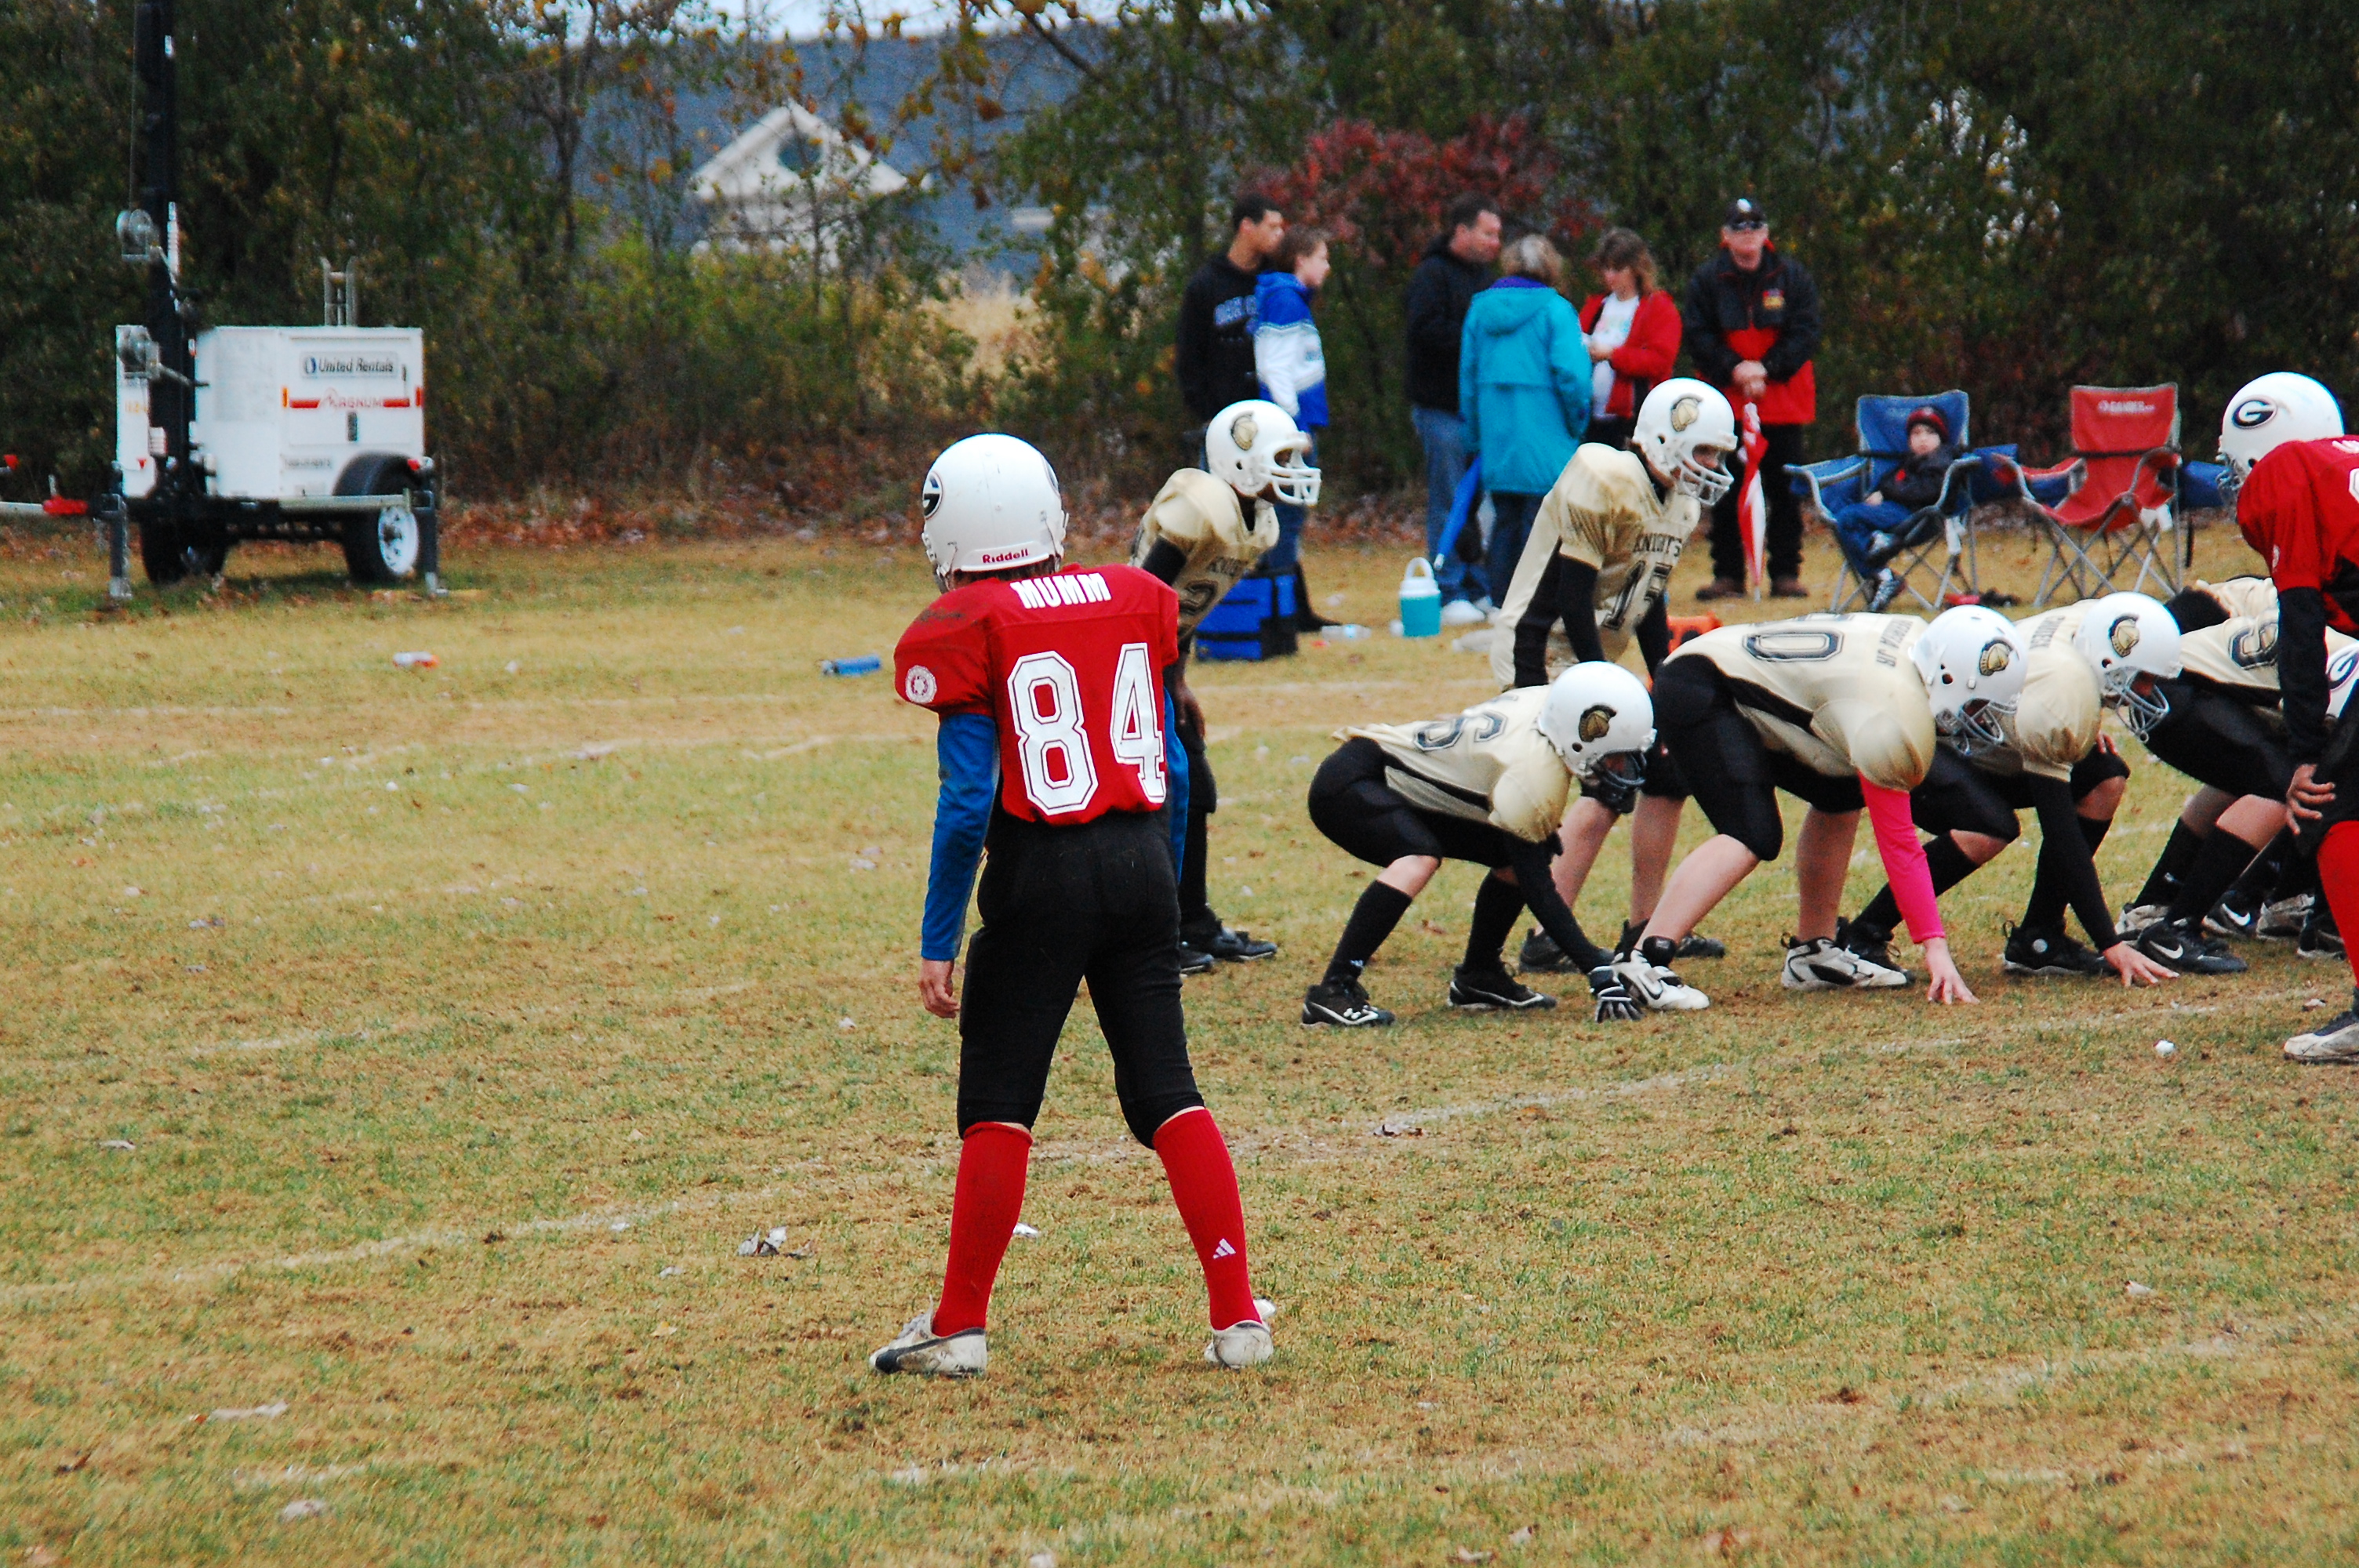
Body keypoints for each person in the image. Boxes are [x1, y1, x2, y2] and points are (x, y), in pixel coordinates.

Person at [878, 434, 1271, 1377]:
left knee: (999, 1102)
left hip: (1041, 872)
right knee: (1168, 1090)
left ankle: (959, 1323)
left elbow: (967, 800)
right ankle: (1237, 1316)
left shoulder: (968, 621)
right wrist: (1164, 886)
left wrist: (937, 935)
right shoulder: (1133, 595)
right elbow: (1173, 766)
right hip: (1140, 864)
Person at [1613, 606, 2027, 1011]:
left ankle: (1813, 951)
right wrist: (1934, 946)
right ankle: (1643, 960)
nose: (1980, 718)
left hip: (1743, 677)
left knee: (1840, 792)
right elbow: (1900, 845)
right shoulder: (1889, 714)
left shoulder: (1921, 644)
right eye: (1977, 704)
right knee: (1751, 833)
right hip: (1703, 682)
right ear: (1947, 676)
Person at [1474, 379, 1738, 967]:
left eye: (1717, 453)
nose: (1711, 465)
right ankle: (1546, 936)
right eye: (1703, 450)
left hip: (1592, 657)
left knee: (1665, 776)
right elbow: (1571, 597)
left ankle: (1647, 926)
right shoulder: (1605, 476)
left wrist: (1665, 680)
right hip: (1540, 648)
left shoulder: (1679, 502)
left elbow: (1649, 596)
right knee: (1598, 786)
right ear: (1664, 437)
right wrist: (1605, 683)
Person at [1826, 594, 2179, 989]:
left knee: (2104, 776)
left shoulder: (2089, 620)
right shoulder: (2062, 697)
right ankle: (1864, 934)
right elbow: (2061, 831)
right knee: (1989, 826)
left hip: (1983, 728)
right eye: (2142, 677)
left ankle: (2040, 936)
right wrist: (2109, 942)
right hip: (1934, 731)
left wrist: (2087, 718)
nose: (2146, 691)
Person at [1299, 663, 1656, 1027]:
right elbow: (1539, 889)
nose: (1619, 767)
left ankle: (1480, 975)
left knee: (1510, 855)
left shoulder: (1549, 705)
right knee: (1419, 857)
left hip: (1396, 782)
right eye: (1614, 755)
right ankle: (1333, 991)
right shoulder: (1534, 774)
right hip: (1354, 783)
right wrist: (1596, 970)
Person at [1131, 399, 1314, 970]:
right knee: (1170, 787)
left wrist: (1178, 682)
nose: (1292, 470)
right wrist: (1146, 678)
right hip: (1127, 659)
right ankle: (1159, 934)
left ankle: (1193, 920)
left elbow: (1183, 609)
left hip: (1158, 661)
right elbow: (1142, 599)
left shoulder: (1255, 522)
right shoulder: (1201, 507)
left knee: (1197, 787)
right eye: (1281, 458)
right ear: (1241, 460)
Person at [2208, 369, 2359, 1061]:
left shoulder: (2286, 476)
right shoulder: (2342, 461)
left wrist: (2303, 752)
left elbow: (2299, 625)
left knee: (2331, 807)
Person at [2119, 575, 2351, 971]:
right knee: (2292, 786)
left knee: (2277, 775)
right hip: (2175, 686)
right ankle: (2178, 927)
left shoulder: (2330, 615)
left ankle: (2161, 905)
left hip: (2173, 683)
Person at [1682, 196, 1820, 601]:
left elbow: (1806, 331)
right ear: (1725, 236)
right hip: (1726, 402)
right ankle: (1728, 575)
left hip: (1782, 401)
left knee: (1785, 491)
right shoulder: (1707, 280)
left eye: (1755, 226)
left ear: (1766, 233)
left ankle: (1785, 574)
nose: (1748, 235)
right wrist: (1735, 369)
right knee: (1725, 487)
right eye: (1739, 228)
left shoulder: (1792, 277)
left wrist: (1767, 368)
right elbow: (1698, 335)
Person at [1459, 234, 1590, 620]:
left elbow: (1468, 378)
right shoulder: (1557, 311)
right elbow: (1573, 376)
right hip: (1547, 434)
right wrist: (1577, 421)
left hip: (1497, 435)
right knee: (1544, 524)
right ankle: (1539, 605)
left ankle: (1502, 601)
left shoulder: (1479, 311)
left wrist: (1474, 436)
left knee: (1505, 521)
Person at [1405, 194, 1503, 622]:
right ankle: (1447, 587)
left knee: (1479, 505)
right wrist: (1474, 337)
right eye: (1488, 233)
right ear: (1461, 231)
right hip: (1440, 408)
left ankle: (1478, 584)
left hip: (1478, 413)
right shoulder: (1431, 275)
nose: (1495, 242)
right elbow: (1424, 331)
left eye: (1498, 235)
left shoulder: (1486, 280)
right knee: (1449, 498)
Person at [1253, 226, 1336, 630]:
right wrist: (1291, 425)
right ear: (1301, 260)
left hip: (1298, 423)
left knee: (1291, 516)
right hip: (1291, 429)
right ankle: (1279, 607)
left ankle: (1289, 603)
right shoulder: (1286, 300)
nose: (1327, 266)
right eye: (1322, 257)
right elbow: (1275, 367)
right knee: (1287, 517)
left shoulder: (1292, 299)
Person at [1829, 405, 1963, 612]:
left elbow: (1925, 492)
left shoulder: (1942, 461)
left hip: (1919, 518)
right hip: (1896, 514)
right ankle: (1880, 560)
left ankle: (1880, 564)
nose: (1923, 439)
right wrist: (1883, 492)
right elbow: (1890, 482)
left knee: (1848, 518)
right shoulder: (1909, 462)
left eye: (1930, 433)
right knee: (1842, 511)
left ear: (1941, 438)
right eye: (1916, 433)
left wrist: (1887, 493)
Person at [1176, 193, 1285, 428]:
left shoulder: (1279, 281)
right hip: (1225, 418)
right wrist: (1209, 413)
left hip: (1275, 416)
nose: (1280, 234)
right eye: (1272, 227)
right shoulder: (1206, 285)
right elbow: (1189, 357)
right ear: (1247, 226)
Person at [1577, 229, 1681, 454]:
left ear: (1636, 268)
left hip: (1633, 419)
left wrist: (1613, 355)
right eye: (1606, 268)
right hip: (1591, 417)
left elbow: (1660, 361)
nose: (1610, 276)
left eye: (1617, 269)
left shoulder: (1659, 308)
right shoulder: (1596, 305)